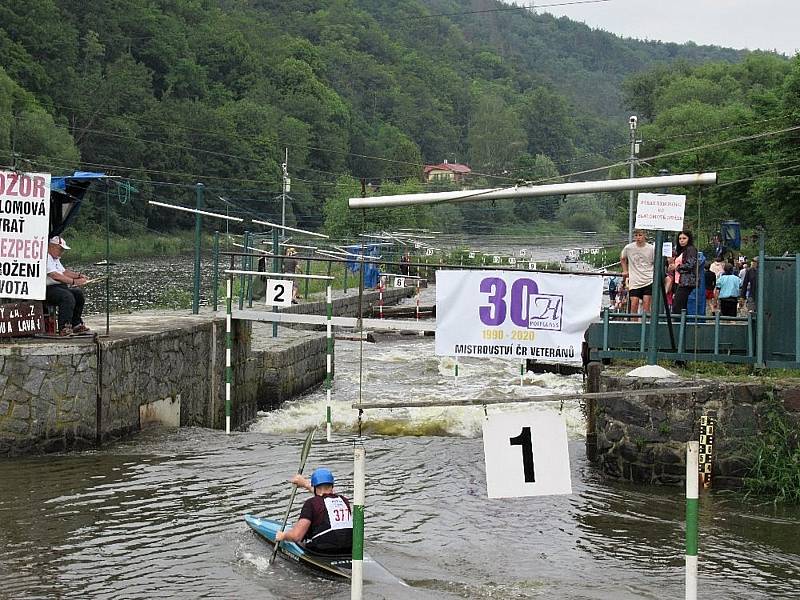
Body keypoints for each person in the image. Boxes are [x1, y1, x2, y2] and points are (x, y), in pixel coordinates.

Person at [275, 468, 353, 555]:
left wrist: (283, 536)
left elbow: (296, 536)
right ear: (332, 485)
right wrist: (306, 485)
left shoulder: (311, 503)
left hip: (323, 551)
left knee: (301, 538)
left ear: (315, 487)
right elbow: (324, 496)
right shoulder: (344, 501)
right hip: (349, 550)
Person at [45, 236, 91, 336]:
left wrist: (79, 276)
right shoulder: (45, 257)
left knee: (78, 294)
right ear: (52, 246)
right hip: (47, 289)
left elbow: (64, 272)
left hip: (59, 287)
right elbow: (54, 275)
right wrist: (74, 281)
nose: (62, 252)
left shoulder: (55, 258)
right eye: (60, 249)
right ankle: (64, 327)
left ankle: (76, 324)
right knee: (67, 297)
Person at [620, 229, 654, 317]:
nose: (638, 238)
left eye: (640, 235)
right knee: (634, 303)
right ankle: (633, 326)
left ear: (644, 236)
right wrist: (625, 270)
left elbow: (656, 262)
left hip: (648, 279)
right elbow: (622, 258)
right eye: (636, 236)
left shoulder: (651, 248)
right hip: (635, 280)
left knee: (646, 306)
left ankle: (645, 326)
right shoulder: (629, 248)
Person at [670, 230, 699, 315]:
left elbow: (690, 265)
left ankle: (679, 325)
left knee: (677, 306)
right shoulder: (681, 251)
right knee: (680, 306)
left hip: (686, 282)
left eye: (684, 238)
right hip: (678, 281)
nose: (681, 240)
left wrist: (677, 267)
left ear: (689, 239)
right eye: (680, 239)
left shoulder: (691, 249)